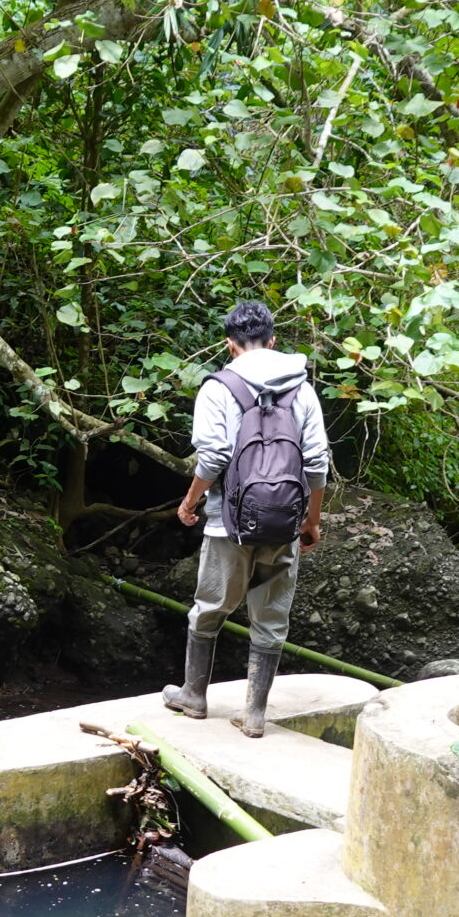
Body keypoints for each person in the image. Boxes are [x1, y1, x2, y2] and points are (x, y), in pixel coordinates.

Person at [162, 299, 330, 737]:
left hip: (227, 523)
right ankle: (255, 714)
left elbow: (214, 456)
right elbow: (315, 462)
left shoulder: (218, 387)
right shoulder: (303, 389)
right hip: (285, 521)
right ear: (273, 341)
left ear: (230, 345)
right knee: (272, 616)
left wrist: (190, 502)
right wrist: (311, 520)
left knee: (210, 606)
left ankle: (194, 696)